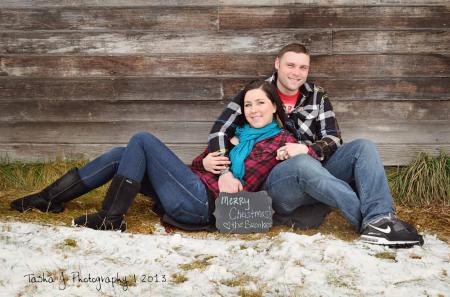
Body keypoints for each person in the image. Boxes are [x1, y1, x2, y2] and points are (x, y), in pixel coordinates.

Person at [204, 43, 423, 247]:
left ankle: (380, 218)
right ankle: (371, 222)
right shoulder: (257, 93)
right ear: (277, 64)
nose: (296, 72)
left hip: (318, 172)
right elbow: (221, 130)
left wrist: (308, 149)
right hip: (279, 181)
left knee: (363, 147)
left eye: (303, 67)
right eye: (290, 65)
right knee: (301, 164)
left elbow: (334, 139)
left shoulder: (317, 96)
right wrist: (224, 171)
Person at [10, 80, 297, 231]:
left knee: (142, 139)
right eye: (248, 104)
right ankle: (48, 199)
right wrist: (206, 162)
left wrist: (225, 173)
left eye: (260, 102)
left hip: (204, 204)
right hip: (193, 188)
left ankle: (111, 217)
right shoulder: (237, 133)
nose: (253, 109)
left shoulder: (280, 139)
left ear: (274, 106)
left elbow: (248, 178)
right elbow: (198, 163)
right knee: (122, 154)